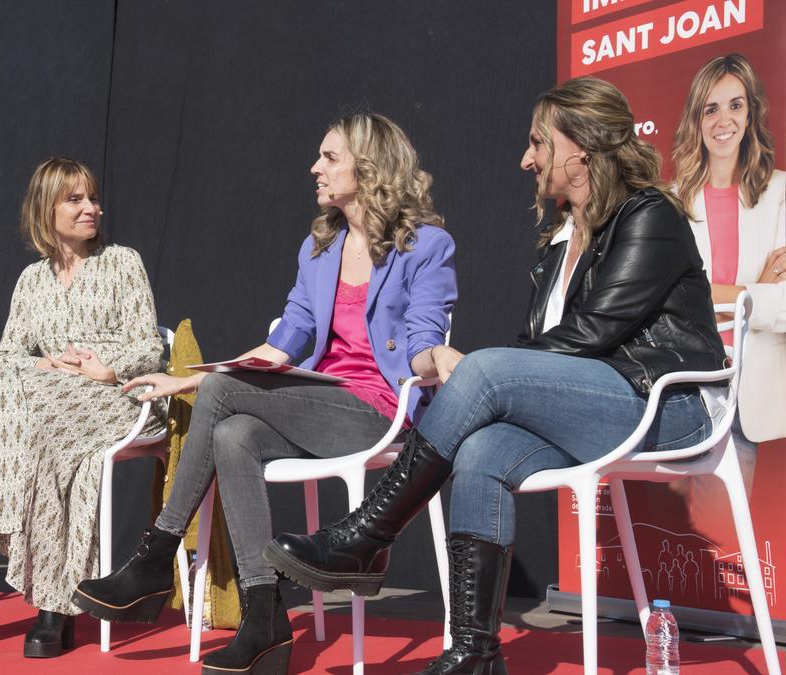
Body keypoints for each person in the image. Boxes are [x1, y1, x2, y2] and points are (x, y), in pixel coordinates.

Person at [265, 78, 727, 674]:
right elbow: (545, 351)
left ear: (580, 148)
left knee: (483, 372)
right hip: (599, 402)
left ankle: (368, 533)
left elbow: (591, 337)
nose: (525, 158)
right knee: (481, 450)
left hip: (670, 407)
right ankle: (473, 652)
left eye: (539, 143)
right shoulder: (559, 241)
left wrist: (502, 380)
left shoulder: (649, 216)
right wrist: (505, 383)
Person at [71, 112, 457, 675]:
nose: (315, 168)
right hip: (317, 400)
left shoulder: (425, 246)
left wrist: (440, 358)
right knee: (233, 433)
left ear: (369, 167)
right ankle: (263, 615)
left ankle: (157, 553)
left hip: (380, 410)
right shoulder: (319, 250)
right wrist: (190, 380)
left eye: (329, 158)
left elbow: (423, 341)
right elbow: (284, 344)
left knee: (227, 402)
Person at [0, 157, 164, 658]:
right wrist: (44, 365)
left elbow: (150, 347)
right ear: (47, 210)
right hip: (48, 402)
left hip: (117, 398)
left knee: (12, 404)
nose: (92, 208)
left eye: (93, 197)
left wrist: (106, 368)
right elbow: (8, 354)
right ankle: (52, 608)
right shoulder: (31, 280)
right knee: (12, 401)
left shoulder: (122, 262)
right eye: (76, 199)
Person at [672, 53, 786, 483]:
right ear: (696, 119)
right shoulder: (669, 202)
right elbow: (667, 298)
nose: (724, 119)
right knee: (676, 536)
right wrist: (756, 289)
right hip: (685, 384)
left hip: (751, 391)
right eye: (711, 108)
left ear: (751, 112)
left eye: (735, 105)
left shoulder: (780, 193)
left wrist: (710, 290)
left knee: (729, 540)